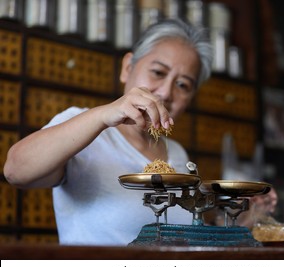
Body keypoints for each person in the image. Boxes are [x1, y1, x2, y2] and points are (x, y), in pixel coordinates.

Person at [3, 19, 213, 246]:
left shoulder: (177, 154)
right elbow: (16, 171)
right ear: (127, 67)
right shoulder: (84, 128)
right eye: (158, 72)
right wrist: (103, 115)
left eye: (183, 85)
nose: (166, 92)